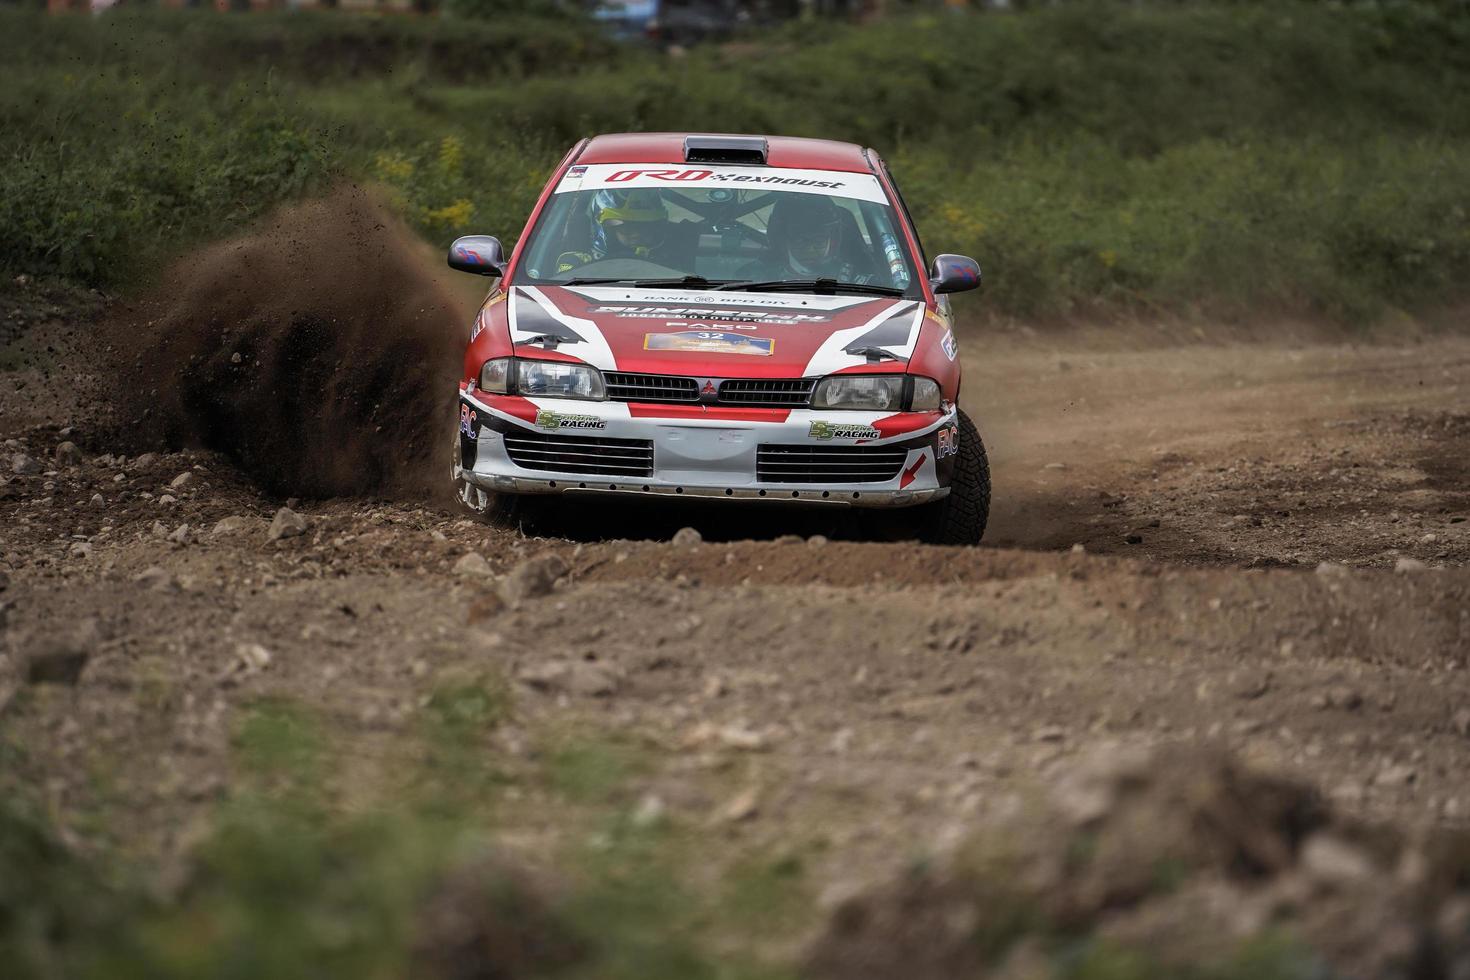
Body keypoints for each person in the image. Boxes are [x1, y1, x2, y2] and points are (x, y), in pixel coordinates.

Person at [742, 194, 881, 284]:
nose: (810, 249)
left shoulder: (858, 281)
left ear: (833, 242)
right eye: (801, 241)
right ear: (782, 240)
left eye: (819, 241)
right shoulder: (752, 277)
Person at [556, 189, 700, 273]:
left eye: (645, 227)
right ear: (606, 226)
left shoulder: (679, 254)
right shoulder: (579, 262)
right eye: (627, 227)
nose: (637, 233)